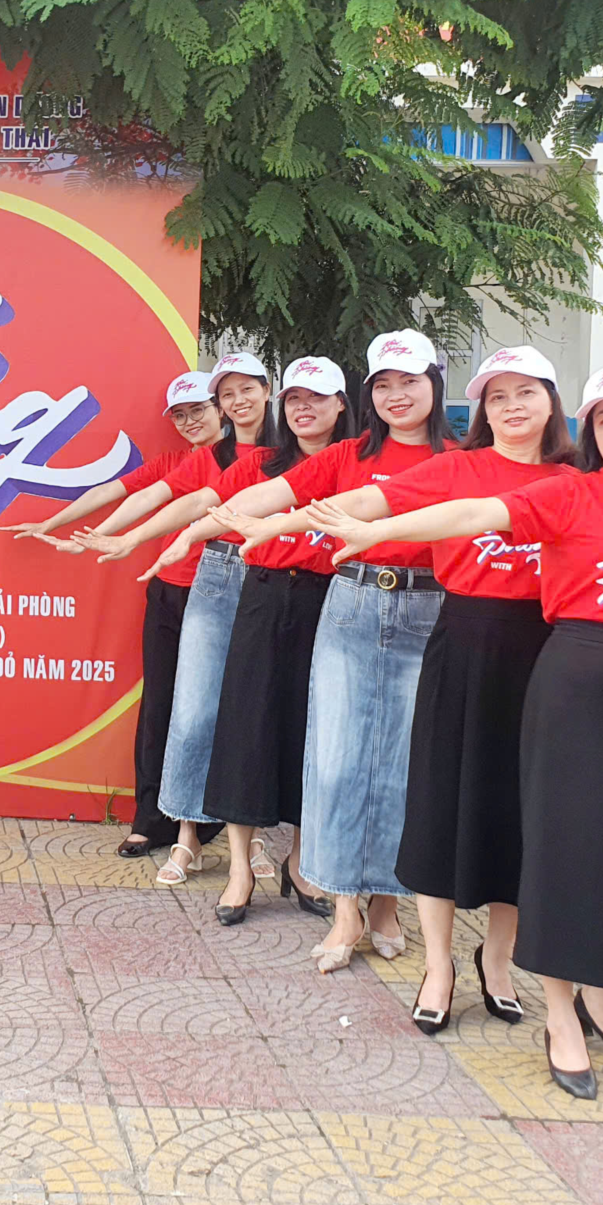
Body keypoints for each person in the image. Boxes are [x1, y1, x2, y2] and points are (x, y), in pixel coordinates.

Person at [307, 362, 603, 1100]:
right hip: (574, 678)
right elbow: (467, 515)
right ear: (588, 429)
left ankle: (602, 1001)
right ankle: (559, 1015)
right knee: (560, 848)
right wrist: (375, 530)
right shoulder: (570, 491)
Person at [299, 346, 575, 1030]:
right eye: (498, 396)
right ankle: (439, 964)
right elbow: (372, 503)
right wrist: (276, 523)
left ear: (552, 401)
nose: (512, 407)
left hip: (542, 653)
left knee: (521, 809)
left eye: (526, 392)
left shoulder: (577, 481)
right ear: (481, 409)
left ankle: (498, 960)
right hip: (459, 639)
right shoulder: (458, 467)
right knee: (434, 799)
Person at [72, 352, 277, 884]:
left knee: (247, 712)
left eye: (200, 408)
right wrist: (115, 537)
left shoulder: (290, 453)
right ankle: (170, 826)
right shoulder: (204, 461)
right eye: (227, 395)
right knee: (178, 709)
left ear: (266, 390)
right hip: (187, 587)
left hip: (263, 585)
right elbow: (164, 499)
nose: (193, 419)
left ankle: (241, 835)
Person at [0, 370, 220, 855]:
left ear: (220, 408)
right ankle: (150, 819)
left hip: (224, 596)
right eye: (180, 415)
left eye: (198, 410)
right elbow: (117, 492)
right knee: (160, 705)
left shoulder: (250, 461)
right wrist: (54, 523)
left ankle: (209, 821)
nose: (190, 421)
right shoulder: (175, 463)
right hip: (169, 591)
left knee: (213, 711)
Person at [193, 357, 350, 922]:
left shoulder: (356, 463)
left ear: (341, 404)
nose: (304, 409)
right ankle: (240, 868)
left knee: (314, 731)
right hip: (262, 594)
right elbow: (203, 506)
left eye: (317, 398)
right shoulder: (261, 464)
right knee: (245, 723)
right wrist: (154, 539)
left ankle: (301, 863)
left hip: (329, 599)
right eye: (294, 400)